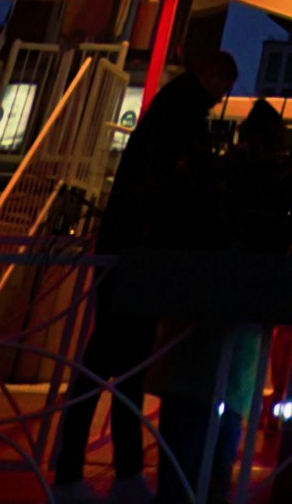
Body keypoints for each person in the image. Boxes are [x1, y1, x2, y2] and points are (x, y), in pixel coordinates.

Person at [49, 47, 239, 491]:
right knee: (120, 361)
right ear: (210, 75)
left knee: (109, 359)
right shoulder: (184, 114)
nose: (220, 99)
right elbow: (188, 184)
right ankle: (110, 470)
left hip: (129, 244)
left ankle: (89, 468)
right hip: (141, 249)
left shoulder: (171, 107)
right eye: (222, 88)